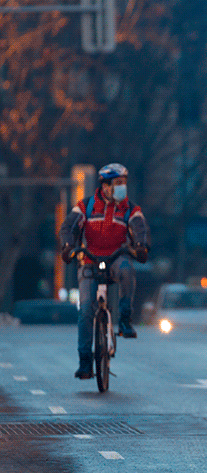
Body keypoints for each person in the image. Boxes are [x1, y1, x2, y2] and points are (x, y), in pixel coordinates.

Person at [59, 163, 150, 380]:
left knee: (128, 271)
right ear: (105, 186)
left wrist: (141, 245)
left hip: (117, 259)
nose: (122, 188)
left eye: (124, 183)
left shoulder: (130, 209)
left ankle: (125, 319)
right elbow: (68, 227)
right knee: (85, 312)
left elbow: (139, 228)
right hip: (89, 261)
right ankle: (84, 363)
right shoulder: (86, 207)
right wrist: (67, 247)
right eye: (117, 184)